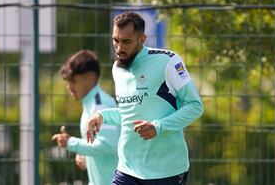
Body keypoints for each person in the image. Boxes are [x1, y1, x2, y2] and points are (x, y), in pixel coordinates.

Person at [86, 11, 204, 185]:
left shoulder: (168, 61)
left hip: (166, 170)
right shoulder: (117, 68)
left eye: (126, 42)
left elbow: (195, 106)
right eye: (115, 40)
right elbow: (131, 112)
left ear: (142, 39)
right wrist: (102, 116)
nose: (119, 48)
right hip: (127, 169)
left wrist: (158, 127)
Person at [52, 50, 120, 185]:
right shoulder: (91, 104)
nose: (69, 87)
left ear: (90, 78)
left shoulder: (100, 105)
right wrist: (86, 155)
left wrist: (71, 143)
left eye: (73, 81)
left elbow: (107, 145)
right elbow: (101, 147)